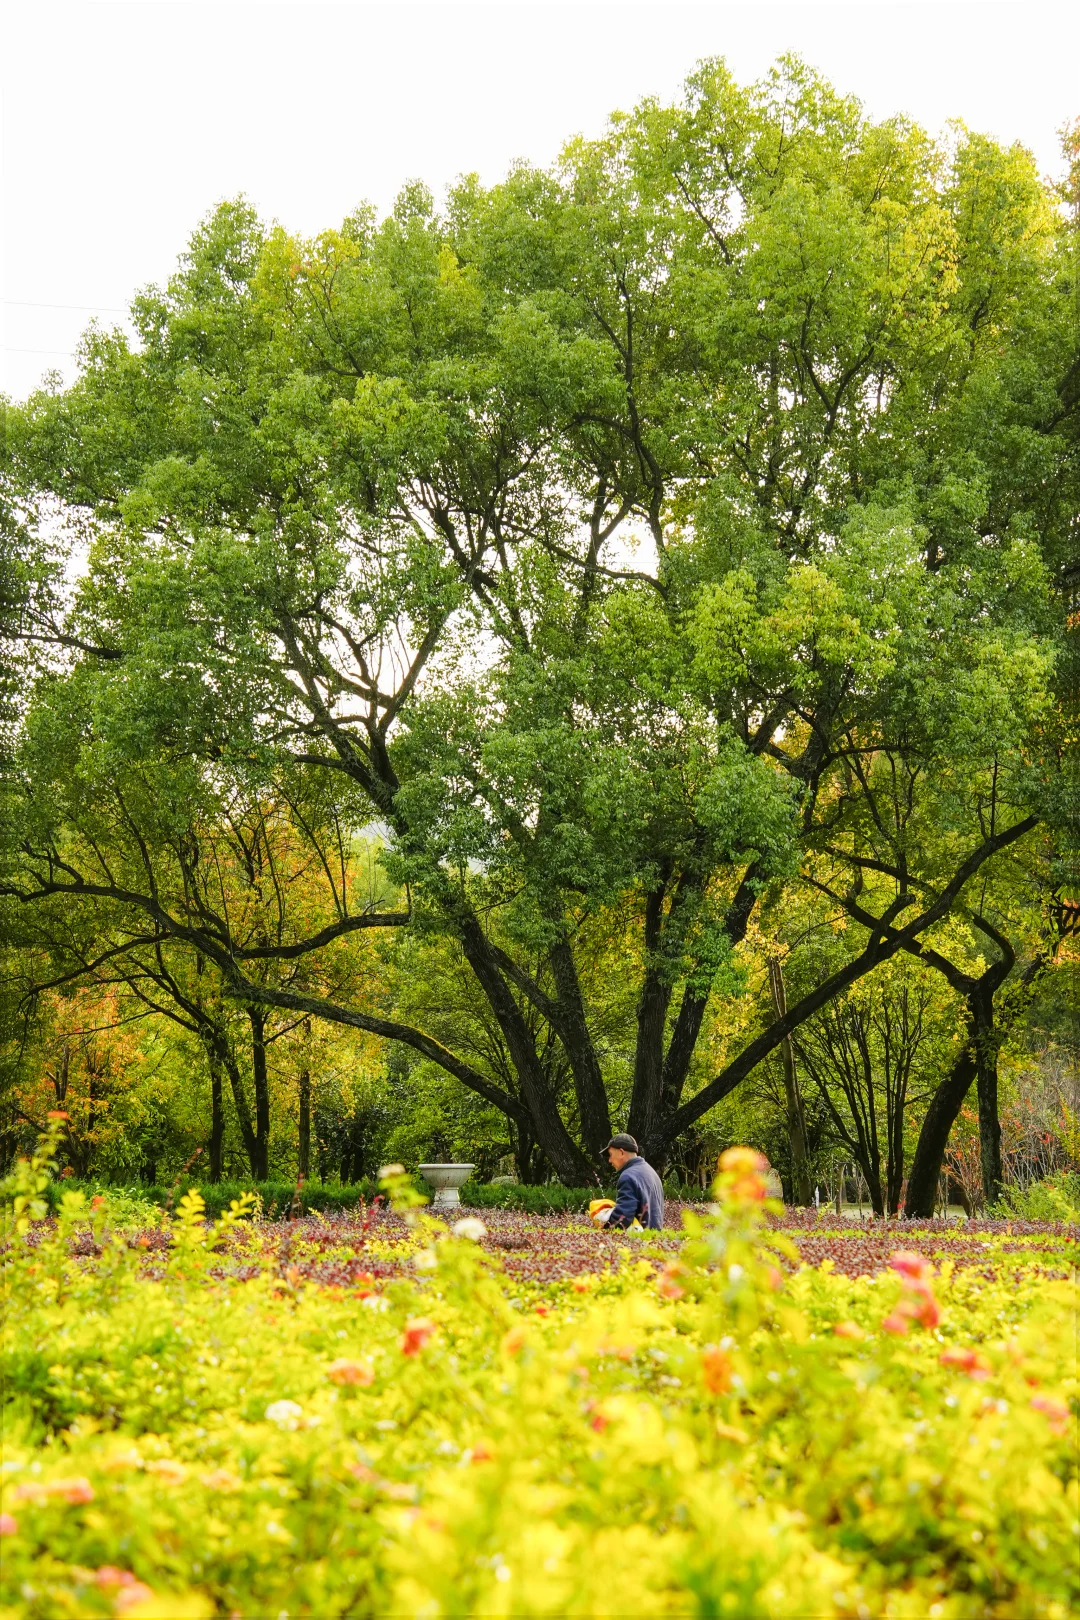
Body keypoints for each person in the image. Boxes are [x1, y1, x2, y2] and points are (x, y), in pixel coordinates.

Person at [600, 1134, 665, 1231]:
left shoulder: (628, 1176)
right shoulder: (651, 1172)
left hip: (638, 1242)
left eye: (610, 1155)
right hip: (654, 1240)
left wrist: (604, 1229)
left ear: (621, 1152)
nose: (609, 1160)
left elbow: (622, 1218)